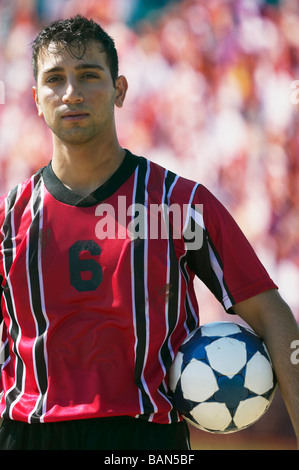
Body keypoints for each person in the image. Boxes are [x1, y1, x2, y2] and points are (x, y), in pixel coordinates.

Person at [0, 15, 298, 451]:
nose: (72, 93)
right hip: (27, 435)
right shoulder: (10, 217)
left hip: (143, 441)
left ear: (119, 90)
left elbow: (273, 316)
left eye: (88, 76)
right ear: (36, 99)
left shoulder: (180, 204)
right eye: (54, 79)